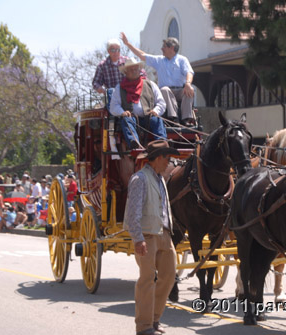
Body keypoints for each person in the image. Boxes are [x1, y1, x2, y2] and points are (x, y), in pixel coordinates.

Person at [123, 140, 179, 335]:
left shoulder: (160, 179)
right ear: (156, 158)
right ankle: (144, 326)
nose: (169, 161)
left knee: (169, 275)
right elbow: (133, 212)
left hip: (164, 233)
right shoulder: (139, 179)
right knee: (147, 279)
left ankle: (154, 319)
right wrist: (138, 238)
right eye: (166, 157)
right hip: (147, 235)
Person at [121, 33, 196, 126]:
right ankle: (173, 119)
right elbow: (142, 55)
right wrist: (127, 44)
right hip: (166, 93)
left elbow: (189, 72)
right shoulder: (159, 60)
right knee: (165, 89)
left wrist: (188, 84)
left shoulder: (182, 60)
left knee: (190, 90)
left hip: (180, 90)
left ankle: (187, 119)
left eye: (164, 46)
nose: (161, 49)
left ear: (172, 48)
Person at [110, 58, 167, 149]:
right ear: (126, 72)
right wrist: (122, 112)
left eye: (136, 69)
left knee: (157, 120)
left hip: (148, 117)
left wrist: (156, 111)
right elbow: (113, 106)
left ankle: (162, 143)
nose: (134, 71)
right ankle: (134, 143)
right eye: (131, 70)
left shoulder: (150, 84)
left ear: (139, 70)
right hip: (132, 119)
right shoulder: (119, 88)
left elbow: (161, 102)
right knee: (126, 120)